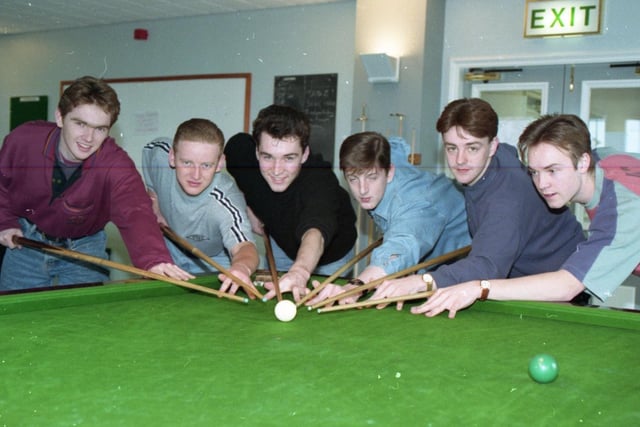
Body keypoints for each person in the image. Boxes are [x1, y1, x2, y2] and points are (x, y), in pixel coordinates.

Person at [407, 113, 640, 318]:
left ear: (583, 162)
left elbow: (569, 285)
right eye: (534, 172)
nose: (542, 184)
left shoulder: (625, 209)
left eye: (552, 170)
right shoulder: (608, 160)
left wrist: (479, 287)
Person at [370, 98, 586, 312]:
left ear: (493, 145)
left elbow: (487, 265)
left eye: (472, 148)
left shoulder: (506, 197)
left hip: (558, 288)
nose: (460, 160)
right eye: (452, 148)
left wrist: (421, 282)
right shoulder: (497, 161)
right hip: (524, 279)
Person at [0, 75, 192, 291]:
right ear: (60, 117)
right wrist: (5, 222)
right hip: (27, 242)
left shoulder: (115, 164)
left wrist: (154, 259)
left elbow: (135, 211)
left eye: (100, 128)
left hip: (85, 249)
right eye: (81, 124)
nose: (88, 138)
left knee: (84, 321)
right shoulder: (23, 140)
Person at [305, 131, 471, 306]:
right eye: (353, 179)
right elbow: (396, 146)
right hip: (437, 257)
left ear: (390, 171)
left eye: (372, 177)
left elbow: (401, 244)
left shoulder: (415, 202)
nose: (363, 190)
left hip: (478, 257)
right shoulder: (382, 158)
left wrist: (354, 287)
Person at [224, 104, 357, 302]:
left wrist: (300, 272)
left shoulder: (319, 180)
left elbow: (316, 230)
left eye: (289, 158)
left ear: (304, 154)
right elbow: (232, 151)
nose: (277, 170)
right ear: (256, 151)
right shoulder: (240, 153)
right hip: (282, 242)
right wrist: (249, 206)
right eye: (267, 157)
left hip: (330, 255)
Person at [143, 118, 259, 296]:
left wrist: (241, 267)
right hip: (171, 249)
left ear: (220, 163)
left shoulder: (226, 201)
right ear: (172, 157)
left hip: (216, 259)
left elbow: (244, 247)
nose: (195, 175)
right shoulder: (159, 155)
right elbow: (150, 151)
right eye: (187, 162)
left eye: (206, 165)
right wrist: (155, 201)